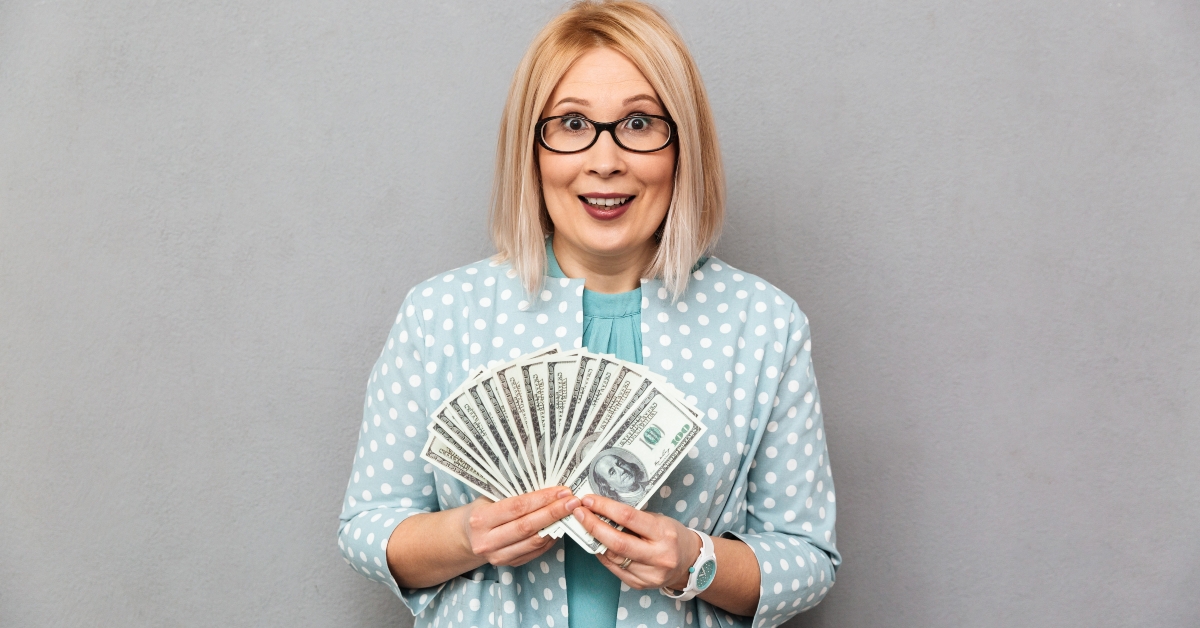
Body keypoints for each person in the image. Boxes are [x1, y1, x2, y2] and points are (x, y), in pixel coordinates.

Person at [337, 2, 841, 627]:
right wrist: (467, 536)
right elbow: (368, 528)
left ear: (683, 146)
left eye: (638, 122)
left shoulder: (764, 325)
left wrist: (695, 561)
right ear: (533, 149)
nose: (605, 160)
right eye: (573, 123)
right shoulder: (442, 315)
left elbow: (808, 557)